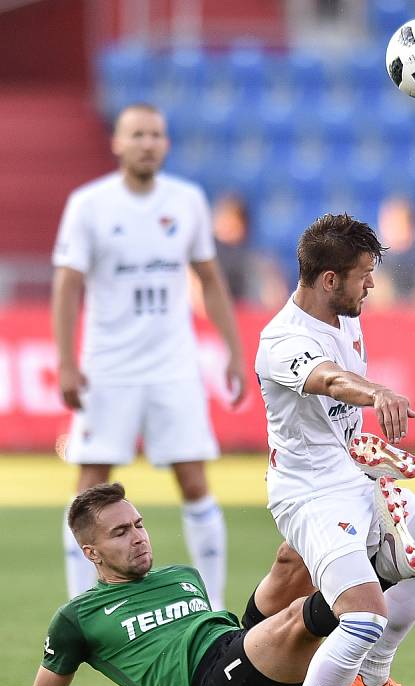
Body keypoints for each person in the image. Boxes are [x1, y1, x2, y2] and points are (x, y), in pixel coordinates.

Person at [253, 213, 415, 686]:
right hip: (311, 494)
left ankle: (371, 678)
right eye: (363, 274)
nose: (370, 284)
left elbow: (336, 406)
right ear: (328, 279)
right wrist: (376, 394)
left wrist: (365, 443)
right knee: (363, 616)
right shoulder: (282, 340)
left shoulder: (345, 315)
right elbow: (326, 378)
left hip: (352, 473)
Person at [51, 103, 245, 610]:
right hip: (108, 366)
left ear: (166, 144)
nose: (146, 142)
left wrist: (232, 349)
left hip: (172, 365)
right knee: (89, 483)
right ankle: (84, 609)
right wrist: (67, 361)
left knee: (194, 480)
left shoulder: (186, 201)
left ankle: (212, 608)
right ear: (117, 143)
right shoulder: (89, 204)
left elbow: (209, 278)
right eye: (136, 134)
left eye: (156, 134)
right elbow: (67, 286)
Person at [25, 482, 363, 686]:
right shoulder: (79, 617)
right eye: (120, 533)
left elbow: (235, 669)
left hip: (240, 656)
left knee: (294, 554)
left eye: (139, 525)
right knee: (299, 614)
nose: (138, 537)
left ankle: (360, 506)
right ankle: (387, 572)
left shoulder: (183, 576)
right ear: (91, 553)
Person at [375, 196, 415, 306]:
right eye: (390, 224)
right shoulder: (370, 252)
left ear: (413, 228)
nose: (394, 230)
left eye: (399, 224)